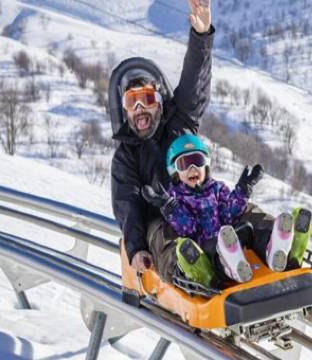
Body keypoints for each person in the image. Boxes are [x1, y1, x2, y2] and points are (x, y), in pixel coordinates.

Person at [110, 0, 216, 278]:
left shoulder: (181, 121)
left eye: (146, 99)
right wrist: (136, 248)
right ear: (124, 111)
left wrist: (201, 36)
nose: (139, 109)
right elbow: (128, 204)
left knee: (242, 211)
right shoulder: (126, 156)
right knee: (167, 237)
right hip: (162, 220)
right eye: (131, 102)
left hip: (202, 205)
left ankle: (274, 243)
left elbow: (195, 80)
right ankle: (192, 274)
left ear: (159, 102)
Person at [142, 134, 309, 287]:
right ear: (175, 171)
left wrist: (243, 190)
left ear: (206, 165)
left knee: (253, 232)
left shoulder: (217, 188)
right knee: (217, 253)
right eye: (184, 164)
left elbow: (230, 214)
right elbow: (189, 229)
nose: (192, 168)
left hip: (231, 237)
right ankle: (233, 268)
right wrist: (171, 208)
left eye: (197, 161)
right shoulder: (176, 198)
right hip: (207, 247)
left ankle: (273, 250)